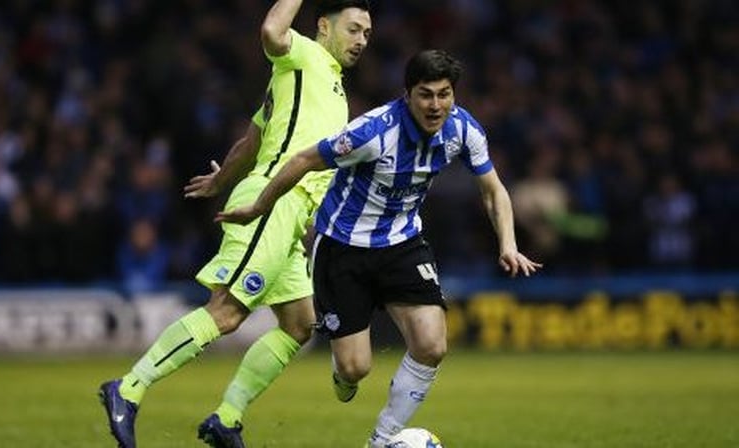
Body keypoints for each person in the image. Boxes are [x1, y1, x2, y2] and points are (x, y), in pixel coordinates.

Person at [217, 49, 543, 447]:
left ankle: (382, 439)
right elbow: (303, 159)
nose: (436, 105)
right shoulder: (372, 132)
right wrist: (259, 205)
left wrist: (508, 244)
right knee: (355, 369)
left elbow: (493, 191)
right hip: (342, 249)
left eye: (444, 94)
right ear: (407, 95)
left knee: (432, 344)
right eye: (426, 94)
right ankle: (343, 374)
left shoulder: (463, 130)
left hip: (402, 244)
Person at [98, 1, 372, 447]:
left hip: (291, 215)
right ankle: (129, 388)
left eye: (367, 34)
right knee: (226, 312)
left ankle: (226, 419)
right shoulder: (300, 53)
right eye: (354, 29)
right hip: (273, 204)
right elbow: (270, 29)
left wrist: (221, 178)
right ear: (324, 26)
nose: (361, 41)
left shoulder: (314, 82)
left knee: (300, 326)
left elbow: (253, 138)